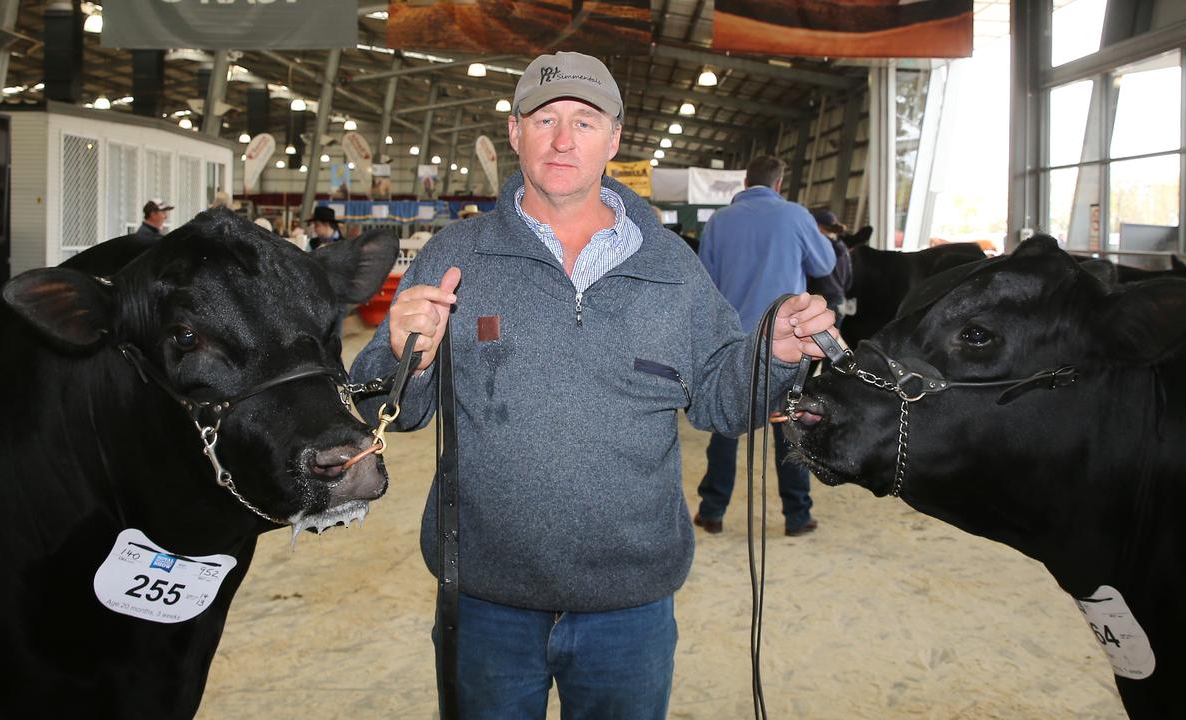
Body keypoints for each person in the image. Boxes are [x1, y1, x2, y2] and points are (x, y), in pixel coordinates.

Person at [350, 51, 836, 720]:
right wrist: (398, 352)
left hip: (629, 609)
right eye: (544, 118)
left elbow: (723, 401)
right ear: (515, 132)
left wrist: (774, 355)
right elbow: (389, 414)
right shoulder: (453, 255)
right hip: (486, 599)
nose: (561, 138)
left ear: (613, 138)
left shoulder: (671, 264)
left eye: (583, 120)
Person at [693, 156, 836, 538]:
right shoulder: (794, 215)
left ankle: (711, 511)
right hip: (785, 339)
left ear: (745, 182)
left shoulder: (719, 222)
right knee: (788, 425)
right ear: (778, 183)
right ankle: (797, 516)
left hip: (732, 341)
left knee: (725, 427)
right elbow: (825, 262)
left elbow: (704, 283)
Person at [807, 208, 853, 326]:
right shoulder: (844, 250)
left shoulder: (819, 248)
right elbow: (848, 281)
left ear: (819, 226)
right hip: (839, 302)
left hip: (820, 303)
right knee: (831, 341)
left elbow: (809, 276)